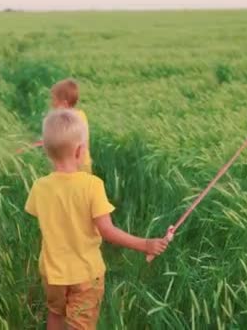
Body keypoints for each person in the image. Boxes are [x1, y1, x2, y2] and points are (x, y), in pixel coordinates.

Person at [25, 109, 174, 330]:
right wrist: (145, 244)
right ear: (80, 151)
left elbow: (44, 217)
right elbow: (108, 231)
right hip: (85, 274)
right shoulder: (92, 185)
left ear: (47, 151)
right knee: (80, 326)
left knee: (55, 314)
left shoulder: (39, 187)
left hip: (53, 272)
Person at [50, 78, 92, 173]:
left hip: (72, 165)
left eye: (54, 100)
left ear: (64, 104)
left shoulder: (67, 121)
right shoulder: (81, 115)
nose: (52, 104)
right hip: (84, 161)